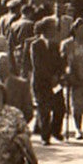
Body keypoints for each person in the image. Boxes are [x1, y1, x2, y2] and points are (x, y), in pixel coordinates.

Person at [29, 16, 65, 145]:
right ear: (46, 30)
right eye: (53, 29)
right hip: (41, 82)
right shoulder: (35, 45)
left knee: (60, 107)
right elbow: (38, 65)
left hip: (55, 82)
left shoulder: (55, 45)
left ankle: (56, 130)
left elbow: (60, 63)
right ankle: (45, 136)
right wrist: (50, 77)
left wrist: (59, 75)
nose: (55, 31)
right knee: (44, 109)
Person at [0, 52, 34, 123]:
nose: (2, 66)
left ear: (10, 65)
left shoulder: (21, 84)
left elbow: (28, 111)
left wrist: (17, 125)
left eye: (5, 63)